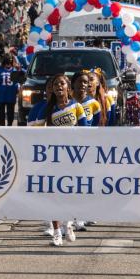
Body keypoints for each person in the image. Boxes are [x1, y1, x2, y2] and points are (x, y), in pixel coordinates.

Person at [36, 74, 89, 247]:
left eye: (62, 83)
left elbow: (86, 131)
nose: (58, 86)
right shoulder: (47, 108)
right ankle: (57, 231)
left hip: (73, 157)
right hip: (54, 157)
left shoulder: (77, 107)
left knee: (71, 193)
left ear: (68, 87)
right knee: (54, 195)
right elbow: (34, 131)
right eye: (55, 84)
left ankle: (68, 225)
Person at [0, 53, 19, 126]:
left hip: (11, 96)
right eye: (6, 63)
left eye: (9, 63)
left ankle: (9, 130)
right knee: (1, 117)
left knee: (10, 117)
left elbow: (19, 82)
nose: (8, 65)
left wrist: (19, 90)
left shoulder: (15, 70)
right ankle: (2, 131)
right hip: (0, 97)